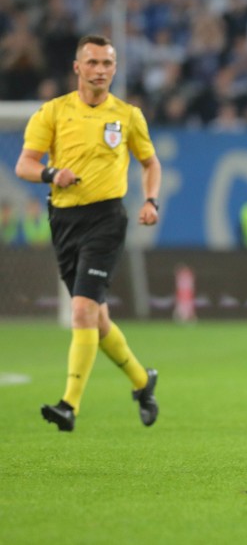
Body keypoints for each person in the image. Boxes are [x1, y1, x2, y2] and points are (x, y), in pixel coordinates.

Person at [15, 34, 162, 432]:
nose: (100, 70)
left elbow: (150, 163)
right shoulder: (53, 112)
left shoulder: (128, 115)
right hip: (64, 220)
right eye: (93, 63)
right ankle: (141, 380)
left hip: (107, 219)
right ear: (77, 68)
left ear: (115, 69)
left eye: (107, 64)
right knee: (95, 318)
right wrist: (51, 173)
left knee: (81, 310)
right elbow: (24, 165)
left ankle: (69, 405)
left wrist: (151, 201)